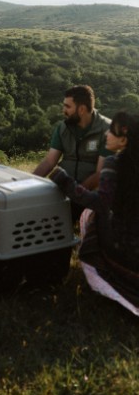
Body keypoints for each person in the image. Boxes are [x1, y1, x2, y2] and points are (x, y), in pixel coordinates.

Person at [49, 111, 139, 316]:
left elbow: (100, 203)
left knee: (91, 214)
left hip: (125, 253)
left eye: (112, 131)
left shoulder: (114, 164)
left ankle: (105, 275)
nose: (106, 134)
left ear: (124, 139)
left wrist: (66, 183)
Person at [33, 84, 111, 219]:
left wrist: (75, 194)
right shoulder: (62, 128)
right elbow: (49, 162)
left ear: (81, 109)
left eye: (67, 107)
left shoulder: (107, 131)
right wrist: (28, 183)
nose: (63, 110)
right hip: (63, 190)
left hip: (90, 196)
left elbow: (100, 174)